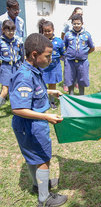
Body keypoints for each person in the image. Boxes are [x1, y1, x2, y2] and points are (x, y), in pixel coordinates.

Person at [9, 33, 67, 206]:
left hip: (31, 125)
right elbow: (18, 108)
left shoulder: (32, 70)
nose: (50, 60)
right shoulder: (25, 76)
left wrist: (50, 92)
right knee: (43, 158)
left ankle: (38, 185)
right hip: (31, 125)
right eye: (47, 56)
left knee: (33, 157)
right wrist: (46, 116)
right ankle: (44, 198)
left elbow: (35, 91)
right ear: (34, 55)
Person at [64, 14, 95, 95]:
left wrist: (84, 53)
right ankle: (71, 96)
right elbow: (65, 46)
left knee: (82, 79)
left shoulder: (86, 35)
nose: (76, 25)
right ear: (72, 24)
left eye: (78, 23)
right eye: (74, 24)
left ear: (82, 23)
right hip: (70, 61)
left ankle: (82, 96)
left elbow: (92, 47)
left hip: (82, 61)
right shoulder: (68, 34)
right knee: (70, 79)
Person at [38, 19, 65, 109]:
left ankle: (52, 102)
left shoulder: (59, 41)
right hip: (42, 67)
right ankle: (42, 101)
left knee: (52, 84)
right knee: (41, 84)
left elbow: (62, 53)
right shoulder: (40, 41)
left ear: (53, 30)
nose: (47, 33)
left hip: (54, 67)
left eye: (49, 31)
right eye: (45, 31)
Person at [0, 20, 24, 106]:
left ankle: (16, 108)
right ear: (3, 30)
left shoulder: (17, 41)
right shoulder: (1, 42)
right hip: (6, 67)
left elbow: (21, 54)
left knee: (16, 88)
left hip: (16, 67)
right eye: (8, 30)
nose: (11, 32)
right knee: (5, 90)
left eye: (13, 30)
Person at [61, 7, 83, 92]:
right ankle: (66, 84)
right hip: (69, 49)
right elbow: (63, 34)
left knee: (77, 67)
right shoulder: (68, 24)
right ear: (74, 13)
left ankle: (76, 82)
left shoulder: (80, 23)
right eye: (78, 13)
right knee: (68, 68)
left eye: (81, 14)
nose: (80, 15)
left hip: (77, 50)